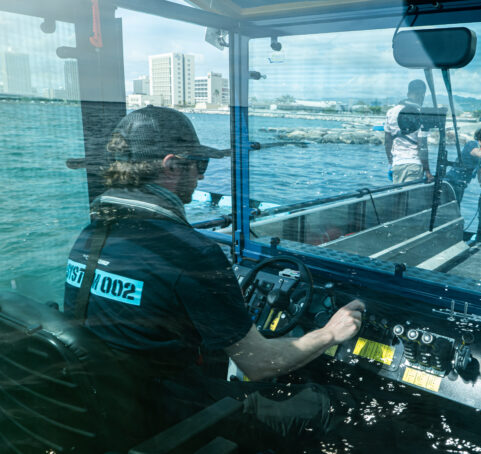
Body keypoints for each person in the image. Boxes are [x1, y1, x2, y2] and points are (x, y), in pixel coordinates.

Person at [63, 106, 364, 450]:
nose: (202, 178)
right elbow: (261, 364)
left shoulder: (92, 234)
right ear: (172, 166)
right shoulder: (189, 251)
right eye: (199, 165)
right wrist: (329, 333)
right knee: (332, 404)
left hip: (110, 410)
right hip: (173, 418)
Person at [384, 79, 433, 183]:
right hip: (414, 165)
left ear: (408, 93)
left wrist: (390, 163)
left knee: (398, 197)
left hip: (397, 165)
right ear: (422, 94)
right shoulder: (421, 114)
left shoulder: (391, 112)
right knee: (410, 198)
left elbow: (387, 141)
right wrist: (427, 171)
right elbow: (422, 146)